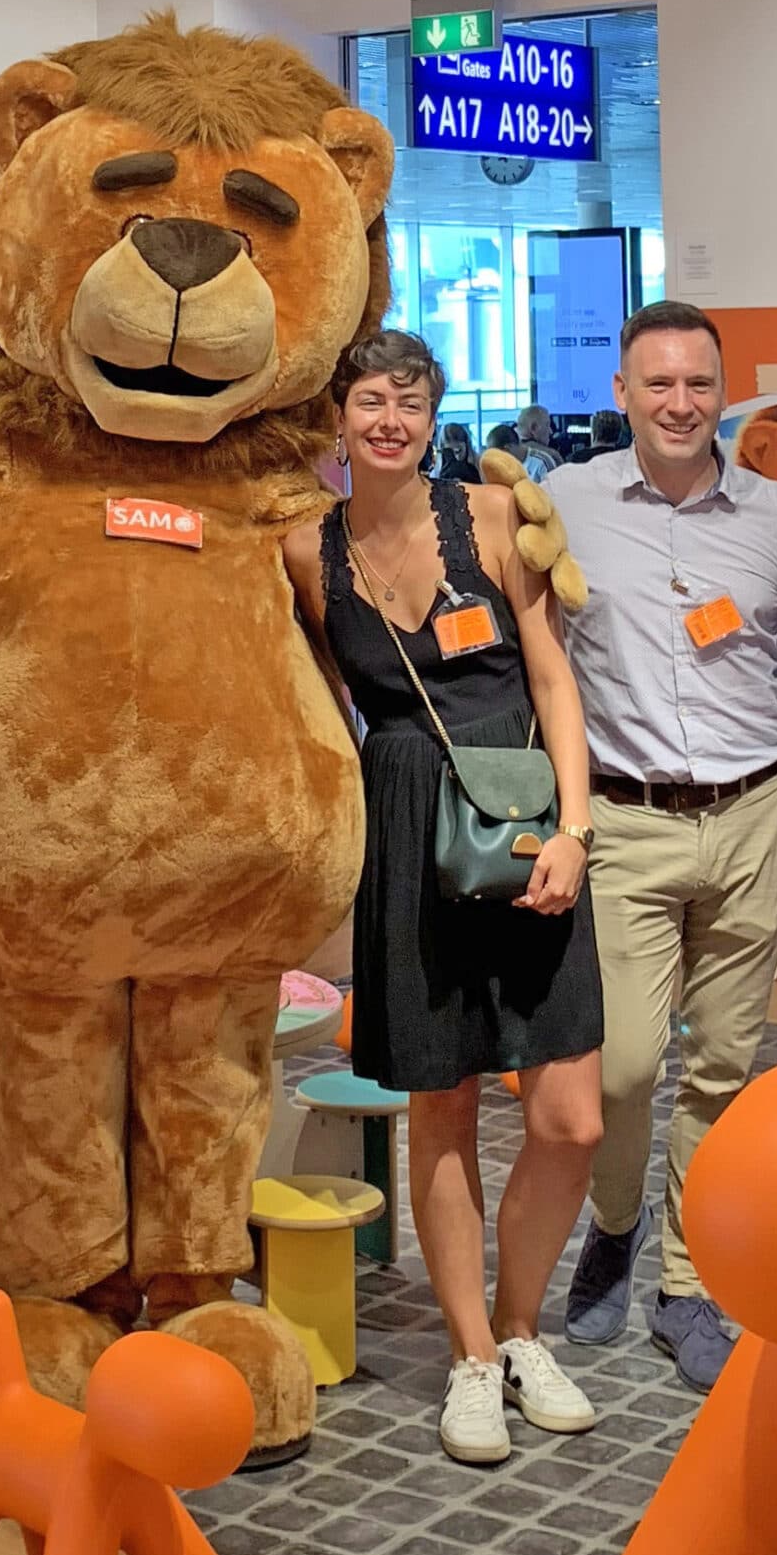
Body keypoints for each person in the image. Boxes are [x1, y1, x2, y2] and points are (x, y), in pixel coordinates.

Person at [282, 330, 605, 1466]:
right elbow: (325, 708)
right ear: (336, 416)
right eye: (367, 399)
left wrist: (574, 827)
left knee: (572, 1114)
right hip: (408, 824)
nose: (387, 419)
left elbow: (553, 677)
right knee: (445, 1107)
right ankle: (473, 1352)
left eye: (407, 399)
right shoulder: (301, 546)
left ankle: (526, 1327)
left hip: (521, 820)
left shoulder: (491, 518)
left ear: (433, 411)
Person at [548, 302, 777, 1388]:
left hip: (754, 815)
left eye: (697, 383)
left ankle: (682, 1275)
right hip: (623, 821)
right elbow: (545, 656)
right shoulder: (562, 503)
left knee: (722, 1065)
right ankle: (614, 1222)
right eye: (656, 383)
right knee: (623, 1066)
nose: (678, 403)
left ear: (722, 388)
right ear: (621, 392)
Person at [513, 404, 565, 480]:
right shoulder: (548, 457)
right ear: (534, 428)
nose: (550, 431)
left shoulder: (496, 448)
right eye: (547, 425)